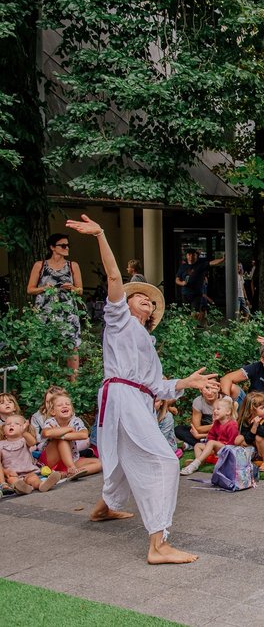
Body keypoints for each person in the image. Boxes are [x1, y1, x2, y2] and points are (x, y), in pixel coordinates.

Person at [66, 213, 218, 565]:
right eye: (141, 298)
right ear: (126, 302)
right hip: (122, 396)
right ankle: (158, 545)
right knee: (165, 461)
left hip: (134, 399)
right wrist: (102, 234)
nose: (147, 302)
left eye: (151, 302)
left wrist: (187, 382)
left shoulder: (146, 341)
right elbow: (115, 276)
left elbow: (157, 386)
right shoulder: (119, 321)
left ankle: (104, 509)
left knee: (120, 461)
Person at [26, 233, 83, 379]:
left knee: (71, 345)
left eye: (68, 245)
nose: (67, 248)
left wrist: (71, 287)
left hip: (67, 311)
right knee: (45, 345)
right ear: (52, 247)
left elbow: (80, 290)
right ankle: (48, 380)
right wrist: (44, 288)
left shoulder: (72, 265)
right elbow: (30, 289)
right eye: (63, 245)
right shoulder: (40, 265)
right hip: (46, 311)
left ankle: (74, 383)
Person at [1, 414, 63, 495]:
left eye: (17, 424)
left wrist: (24, 432)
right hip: (13, 474)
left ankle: (41, 485)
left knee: (33, 479)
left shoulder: (24, 440)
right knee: (13, 480)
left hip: (29, 471)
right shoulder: (1, 444)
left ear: (24, 427)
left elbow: (32, 442)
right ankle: (23, 488)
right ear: (3, 429)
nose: (12, 425)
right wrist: (5, 471)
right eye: (8, 424)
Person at [179, 397, 239, 475]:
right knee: (197, 445)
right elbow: (211, 436)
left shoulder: (232, 425)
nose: (214, 411)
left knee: (211, 443)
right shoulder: (217, 423)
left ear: (228, 412)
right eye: (214, 409)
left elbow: (232, 443)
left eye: (218, 409)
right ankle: (200, 462)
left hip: (228, 449)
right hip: (217, 447)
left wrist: (213, 446)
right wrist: (210, 448)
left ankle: (195, 464)